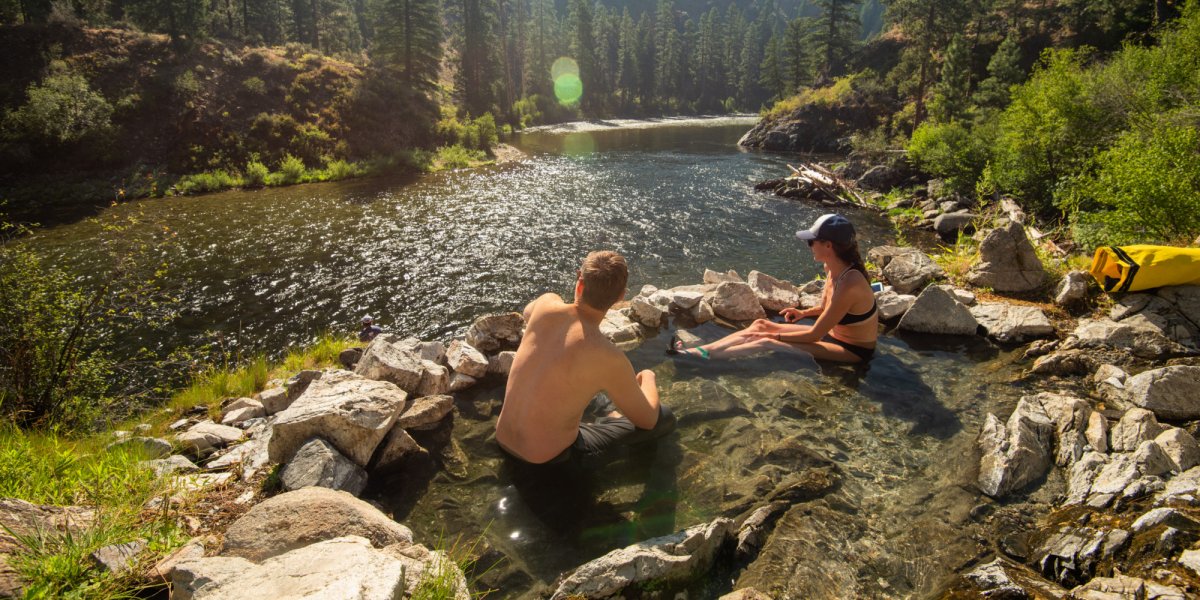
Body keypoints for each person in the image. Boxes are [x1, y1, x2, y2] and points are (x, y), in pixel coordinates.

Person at [496, 251, 676, 465]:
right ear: (621, 296)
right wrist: (648, 376)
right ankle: (607, 420)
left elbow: (528, 313)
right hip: (546, 460)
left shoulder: (546, 303)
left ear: (580, 282)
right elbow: (647, 420)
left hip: (502, 440)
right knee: (664, 417)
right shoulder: (608, 357)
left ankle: (606, 414)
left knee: (581, 384)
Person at [670, 213, 878, 364]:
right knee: (760, 325)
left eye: (811, 242)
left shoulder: (850, 284)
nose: (809, 246)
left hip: (851, 350)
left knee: (765, 342)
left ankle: (698, 359)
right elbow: (827, 309)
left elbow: (815, 334)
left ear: (828, 245)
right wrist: (803, 313)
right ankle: (702, 350)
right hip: (831, 334)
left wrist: (775, 337)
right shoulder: (831, 268)